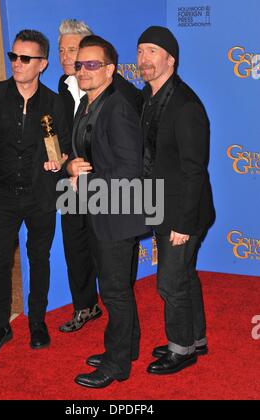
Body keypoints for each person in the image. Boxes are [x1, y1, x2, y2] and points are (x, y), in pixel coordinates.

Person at [0, 29, 70, 355]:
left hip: (41, 196)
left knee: (39, 259)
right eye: (14, 56)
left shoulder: (53, 102)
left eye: (25, 58)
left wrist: (59, 163)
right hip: (3, 195)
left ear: (42, 64)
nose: (17, 63)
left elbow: (63, 146)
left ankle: (37, 321)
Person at [50, 35, 149, 388]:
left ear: (110, 69)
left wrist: (85, 177)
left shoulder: (117, 106)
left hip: (117, 214)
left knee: (114, 292)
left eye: (92, 64)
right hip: (99, 209)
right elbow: (84, 158)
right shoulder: (88, 105)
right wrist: (71, 168)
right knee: (116, 288)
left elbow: (128, 169)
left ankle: (117, 363)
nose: (83, 70)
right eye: (79, 64)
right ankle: (128, 348)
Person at [137, 26, 215, 375]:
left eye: (152, 51)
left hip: (184, 211)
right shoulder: (149, 97)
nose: (144, 59)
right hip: (161, 205)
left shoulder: (185, 105)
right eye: (140, 51)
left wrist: (183, 224)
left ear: (171, 58)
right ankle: (196, 338)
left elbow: (194, 171)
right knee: (183, 276)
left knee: (170, 282)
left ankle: (181, 349)